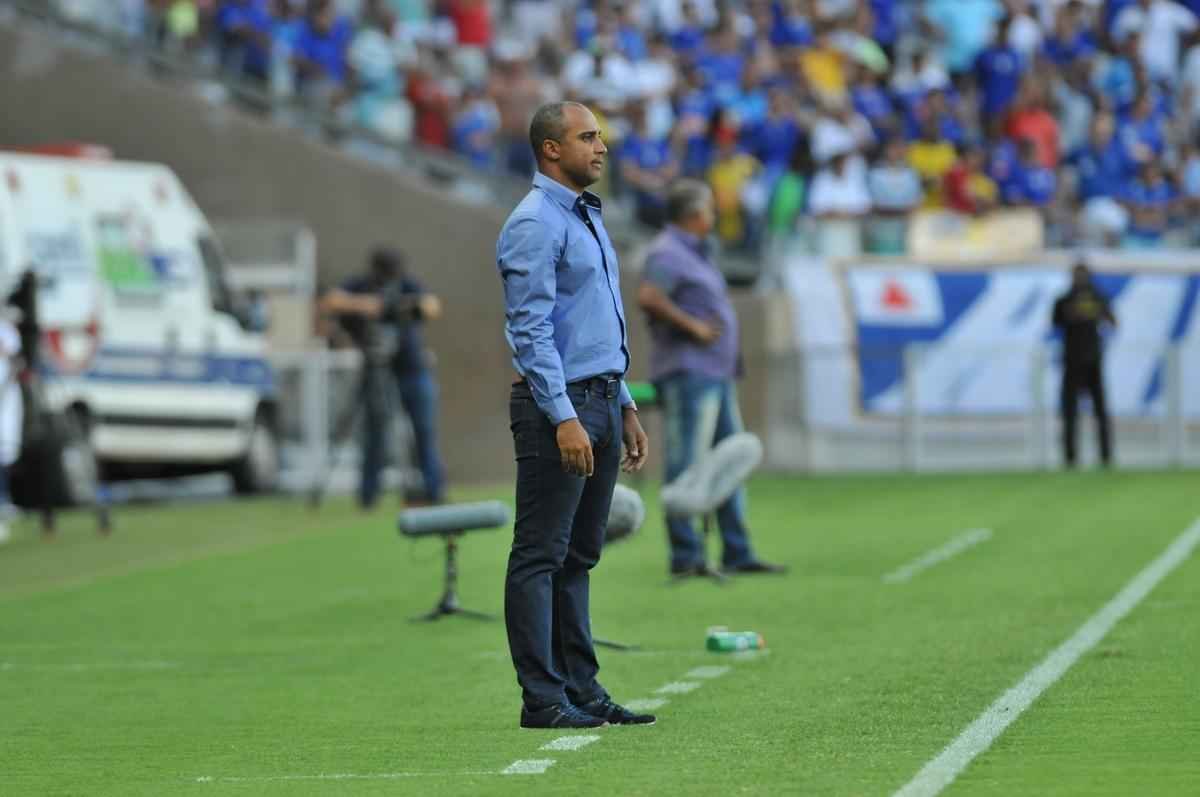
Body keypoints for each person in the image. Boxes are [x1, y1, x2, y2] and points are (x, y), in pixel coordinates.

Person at [496, 101, 652, 730]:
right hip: (560, 407)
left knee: (579, 556)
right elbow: (530, 329)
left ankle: (581, 689)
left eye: (601, 137)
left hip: (602, 399)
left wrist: (626, 403)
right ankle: (543, 698)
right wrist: (563, 416)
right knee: (540, 553)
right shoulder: (534, 222)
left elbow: (593, 327)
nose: (602, 147)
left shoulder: (586, 216)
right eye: (587, 137)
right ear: (551, 149)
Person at [637, 179, 786, 578]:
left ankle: (737, 550)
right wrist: (694, 328)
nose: (714, 217)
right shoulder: (668, 252)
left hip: (714, 373)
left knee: (729, 463)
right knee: (687, 464)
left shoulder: (695, 253)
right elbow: (649, 296)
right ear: (694, 215)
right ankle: (686, 556)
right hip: (690, 372)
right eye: (709, 210)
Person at [318, 247, 446, 509]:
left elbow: (432, 306)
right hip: (375, 368)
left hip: (412, 368)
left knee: (423, 429)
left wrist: (397, 307)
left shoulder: (407, 286)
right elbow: (330, 301)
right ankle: (368, 495)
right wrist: (368, 305)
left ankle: (433, 490)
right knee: (375, 430)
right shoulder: (362, 285)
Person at [1052, 261, 1117, 468]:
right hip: (1073, 361)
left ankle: (1105, 457)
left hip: (1092, 362)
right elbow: (1055, 323)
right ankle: (1071, 458)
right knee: (1071, 413)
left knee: (1099, 412)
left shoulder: (1097, 298)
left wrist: (1095, 311)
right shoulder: (1064, 300)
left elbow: (1112, 321)